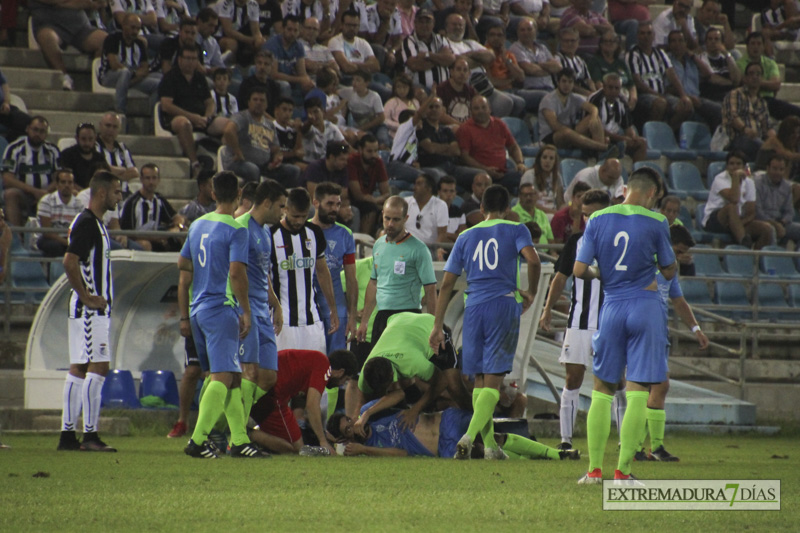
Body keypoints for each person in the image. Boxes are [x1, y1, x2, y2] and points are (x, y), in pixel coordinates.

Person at [573, 166, 677, 484]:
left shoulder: (599, 219)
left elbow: (579, 269)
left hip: (612, 306)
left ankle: (592, 471)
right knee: (637, 391)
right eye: (655, 198)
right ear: (649, 193)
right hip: (644, 306)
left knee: (602, 389)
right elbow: (670, 271)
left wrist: (600, 273)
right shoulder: (657, 221)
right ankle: (623, 472)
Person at [430, 184, 541, 459]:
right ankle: (469, 437)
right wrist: (532, 292)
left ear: (481, 208)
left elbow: (446, 284)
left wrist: (437, 324)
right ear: (507, 208)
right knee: (493, 380)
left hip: (474, 307)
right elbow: (534, 261)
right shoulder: (516, 229)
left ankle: (490, 447)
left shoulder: (466, 236)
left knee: (479, 380)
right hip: (502, 304)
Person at [178, 170, 264, 459]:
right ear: (239, 195)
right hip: (220, 310)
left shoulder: (197, 224)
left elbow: (183, 263)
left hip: (198, 310)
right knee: (223, 376)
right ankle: (198, 440)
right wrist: (246, 311)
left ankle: (239, 440)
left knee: (233, 377)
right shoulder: (236, 229)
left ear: (212, 194)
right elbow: (237, 273)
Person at [538, 188, 610, 451]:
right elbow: (560, 277)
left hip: (610, 321)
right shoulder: (576, 242)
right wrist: (546, 310)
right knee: (572, 380)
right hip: (579, 321)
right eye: (585, 214)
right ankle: (566, 441)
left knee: (618, 382)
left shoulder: (617, 242)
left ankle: (628, 442)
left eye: (594, 214)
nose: (589, 220)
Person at [57, 171, 121, 452]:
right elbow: (69, 261)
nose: (120, 196)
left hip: (86, 309)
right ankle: (90, 435)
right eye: (117, 192)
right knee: (98, 366)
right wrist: (88, 297)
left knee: (80, 366)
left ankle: (68, 436)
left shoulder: (93, 223)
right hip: (89, 311)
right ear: (103, 193)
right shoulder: (87, 224)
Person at [634, 223, 709, 462]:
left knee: (659, 387)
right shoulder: (645, 265)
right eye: (677, 251)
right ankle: (637, 447)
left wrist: (696, 328)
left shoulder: (670, 271)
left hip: (658, 331)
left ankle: (653, 447)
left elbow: (678, 301)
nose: (678, 258)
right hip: (643, 330)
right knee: (643, 387)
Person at [354, 313, 472, 434]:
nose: (384, 392)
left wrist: (415, 410)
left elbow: (442, 381)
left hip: (429, 328)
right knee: (382, 397)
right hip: (399, 321)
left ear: (391, 376)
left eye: (386, 388)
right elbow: (362, 403)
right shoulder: (365, 374)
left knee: (454, 387)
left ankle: (478, 422)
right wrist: (360, 420)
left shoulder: (411, 363)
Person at [329, 405, 579, 459]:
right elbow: (403, 453)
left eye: (351, 423)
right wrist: (363, 449)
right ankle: (537, 458)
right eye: (349, 432)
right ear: (345, 439)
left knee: (493, 437)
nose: (355, 429)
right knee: (485, 453)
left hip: (444, 421)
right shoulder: (368, 451)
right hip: (441, 449)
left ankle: (554, 454)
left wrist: (366, 415)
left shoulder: (369, 411)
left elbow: (399, 395)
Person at [235, 179, 286, 428]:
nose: (283, 212)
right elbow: (235, 273)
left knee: (268, 377)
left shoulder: (265, 230)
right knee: (248, 373)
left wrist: (274, 303)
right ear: (267, 202)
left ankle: (233, 420)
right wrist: (244, 310)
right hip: (246, 309)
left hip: (262, 310)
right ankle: (237, 433)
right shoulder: (241, 228)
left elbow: (261, 269)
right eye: (280, 206)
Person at [356, 196, 438, 345]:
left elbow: (430, 288)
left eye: (396, 219)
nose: (390, 224)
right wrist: (364, 322)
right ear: (382, 214)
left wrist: (434, 325)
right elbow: (374, 284)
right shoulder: (378, 245)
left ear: (406, 218)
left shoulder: (419, 249)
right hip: (381, 318)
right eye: (387, 218)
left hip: (408, 316)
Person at [248, 349, 358, 455]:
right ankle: (247, 435)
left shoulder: (314, 361)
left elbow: (302, 397)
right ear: (340, 372)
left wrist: (322, 433)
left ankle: (247, 435)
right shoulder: (324, 366)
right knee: (296, 448)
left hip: (269, 390)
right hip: (273, 396)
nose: (342, 384)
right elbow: (312, 406)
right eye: (346, 380)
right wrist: (322, 441)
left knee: (296, 443)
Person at [270, 188, 339, 352]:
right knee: (284, 374)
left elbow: (322, 272)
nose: (299, 221)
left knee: (314, 370)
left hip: (312, 319)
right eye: (295, 216)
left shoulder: (314, 232)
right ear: (285, 209)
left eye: (304, 216)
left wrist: (333, 308)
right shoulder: (271, 235)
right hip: (282, 321)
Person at [159, 44, 230, 174]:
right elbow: (166, 105)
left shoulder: (199, 78)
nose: (191, 62)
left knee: (228, 124)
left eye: (194, 58)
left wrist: (206, 117)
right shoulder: (170, 77)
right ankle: (195, 164)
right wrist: (192, 117)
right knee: (184, 123)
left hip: (201, 118)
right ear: (180, 59)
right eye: (187, 58)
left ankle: (226, 161)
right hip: (176, 118)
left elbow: (210, 102)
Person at [310, 182, 358, 353]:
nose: (335, 209)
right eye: (330, 204)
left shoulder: (345, 235)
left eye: (338, 204)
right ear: (316, 203)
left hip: (338, 307)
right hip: (309, 304)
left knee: (336, 360)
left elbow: (352, 279)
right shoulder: (304, 230)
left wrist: (352, 315)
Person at [222, 87, 300, 187]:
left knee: (293, 170)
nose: (258, 103)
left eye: (262, 100)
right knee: (253, 170)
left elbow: (275, 148)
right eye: (255, 99)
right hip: (240, 163)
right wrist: (237, 152)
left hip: (264, 166)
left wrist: (277, 158)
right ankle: (252, 200)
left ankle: (279, 199)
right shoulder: (242, 117)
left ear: (267, 104)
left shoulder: (270, 124)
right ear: (249, 102)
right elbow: (228, 131)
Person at [626, 21, 693, 131]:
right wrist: (656, 95)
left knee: (687, 105)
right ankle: (652, 133)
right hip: (643, 95)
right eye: (642, 33)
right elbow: (637, 82)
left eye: (649, 33)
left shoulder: (660, 53)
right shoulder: (633, 54)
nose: (646, 36)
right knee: (660, 103)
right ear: (637, 35)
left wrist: (683, 95)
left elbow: (672, 75)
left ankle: (667, 131)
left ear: (653, 35)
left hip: (661, 94)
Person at [28, 0, 107, 91]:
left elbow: (94, 3)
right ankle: (64, 76)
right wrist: (77, 4)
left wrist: (68, 4)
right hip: (50, 25)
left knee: (104, 40)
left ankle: (98, 79)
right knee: (46, 37)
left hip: (80, 26)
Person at [455, 95, 527, 193]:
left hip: (503, 172)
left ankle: (494, 189)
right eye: (476, 108)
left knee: (525, 175)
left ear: (490, 109)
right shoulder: (465, 129)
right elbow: (464, 157)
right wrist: (486, 169)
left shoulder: (499, 124)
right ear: (471, 112)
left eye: (483, 107)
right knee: (483, 178)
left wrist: (520, 163)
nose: (480, 111)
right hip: (480, 173)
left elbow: (513, 146)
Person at [2, 116, 59, 227]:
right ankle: (17, 239)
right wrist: (34, 191)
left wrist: (44, 193)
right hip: (24, 195)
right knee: (10, 194)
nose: (37, 134)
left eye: (42, 131)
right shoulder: (13, 148)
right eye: (35, 130)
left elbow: (59, 178)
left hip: (48, 194)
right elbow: (7, 179)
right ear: (28, 129)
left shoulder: (53, 150)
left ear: (46, 134)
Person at [98, 13, 161, 115]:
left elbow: (145, 69)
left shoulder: (140, 44)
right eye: (132, 28)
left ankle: (153, 119)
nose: (135, 31)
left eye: (138, 29)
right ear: (124, 25)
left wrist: (134, 78)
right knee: (124, 72)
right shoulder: (112, 39)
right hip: (110, 76)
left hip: (132, 79)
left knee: (159, 81)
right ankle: (120, 111)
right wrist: (136, 74)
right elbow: (114, 65)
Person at [538, 68, 610, 156]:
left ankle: (600, 156)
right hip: (551, 137)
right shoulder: (548, 100)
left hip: (571, 132)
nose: (567, 85)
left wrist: (594, 117)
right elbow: (555, 126)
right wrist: (575, 135)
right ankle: (602, 148)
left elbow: (593, 108)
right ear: (558, 82)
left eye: (570, 82)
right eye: (564, 81)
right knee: (567, 133)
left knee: (594, 118)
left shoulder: (574, 97)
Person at [119, 163, 185, 252]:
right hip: (137, 240)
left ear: (158, 180)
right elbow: (130, 233)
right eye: (148, 178)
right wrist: (157, 237)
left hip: (157, 237)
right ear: (141, 180)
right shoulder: (132, 202)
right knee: (145, 244)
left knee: (183, 234)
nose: (151, 182)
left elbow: (177, 217)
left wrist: (177, 227)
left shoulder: (159, 200)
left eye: (154, 178)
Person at [736, 31, 800, 121]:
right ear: (747, 46)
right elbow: (743, 83)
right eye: (753, 44)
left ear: (763, 46)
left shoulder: (770, 63)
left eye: (759, 44)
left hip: (768, 100)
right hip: (747, 100)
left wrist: (756, 83)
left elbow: (776, 85)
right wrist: (766, 84)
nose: (756, 47)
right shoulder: (739, 64)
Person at [666, 30, 721, 132]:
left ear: (685, 43)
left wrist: (693, 56)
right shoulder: (666, 60)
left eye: (681, 41)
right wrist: (686, 96)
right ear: (669, 44)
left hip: (697, 98)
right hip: (678, 97)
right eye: (673, 41)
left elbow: (708, 74)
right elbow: (667, 89)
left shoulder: (692, 61)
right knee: (688, 108)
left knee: (720, 110)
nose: (677, 44)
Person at [589, 73, 649, 162]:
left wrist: (633, 138)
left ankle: (637, 173)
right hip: (599, 137)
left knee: (641, 143)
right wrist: (622, 139)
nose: (613, 91)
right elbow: (595, 128)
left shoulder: (622, 101)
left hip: (617, 136)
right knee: (611, 142)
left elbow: (627, 127)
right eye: (610, 87)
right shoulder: (595, 100)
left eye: (616, 88)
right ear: (604, 87)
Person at [722, 62, 773, 163]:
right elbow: (732, 118)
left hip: (757, 140)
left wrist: (776, 141)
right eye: (751, 74)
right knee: (763, 148)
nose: (755, 77)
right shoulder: (735, 94)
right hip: (737, 139)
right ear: (745, 78)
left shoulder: (762, 102)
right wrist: (746, 130)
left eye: (758, 74)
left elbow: (767, 127)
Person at [509, 17, 561, 114]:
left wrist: (538, 64)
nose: (526, 32)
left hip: (550, 87)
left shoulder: (542, 47)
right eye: (522, 30)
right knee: (548, 97)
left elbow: (558, 67)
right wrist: (549, 69)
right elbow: (530, 70)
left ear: (535, 31)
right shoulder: (515, 48)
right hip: (530, 89)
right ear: (517, 32)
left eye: (529, 29)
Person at [399, 8, 455, 91]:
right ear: (415, 24)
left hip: (444, 89)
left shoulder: (441, 39)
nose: (424, 25)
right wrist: (440, 58)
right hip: (420, 90)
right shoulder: (409, 41)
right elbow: (414, 65)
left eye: (428, 22)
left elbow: (450, 59)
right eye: (421, 22)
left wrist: (427, 55)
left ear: (433, 24)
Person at [347, 134, 391, 236]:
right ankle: (361, 242)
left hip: (369, 200)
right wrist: (374, 200)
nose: (374, 155)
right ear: (360, 149)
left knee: (385, 210)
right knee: (371, 208)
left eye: (376, 151)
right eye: (369, 151)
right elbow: (357, 195)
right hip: (350, 199)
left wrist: (374, 200)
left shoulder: (378, 162)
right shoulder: (352, 161)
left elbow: (387, 193)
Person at [263, 14, 315, 98]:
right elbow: (274, 74)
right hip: (270, 81)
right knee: (285, 85)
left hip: (290, 79)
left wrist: (307, 81)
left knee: (311, 84)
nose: (292, 33)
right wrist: (300, 79)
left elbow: (302, 73)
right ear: (283, 29)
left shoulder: (298, 46)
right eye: (289, 29)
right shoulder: (272, 45)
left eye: (295, 30)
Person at [36, 168, 83, 257]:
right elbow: (47, 232)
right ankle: (53, 270)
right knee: (56, 246)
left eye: (70, 182)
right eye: (63, 182)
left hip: (69, 238)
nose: (67, 185)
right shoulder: (46, 201)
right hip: (49, 238)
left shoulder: (79, 204)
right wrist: (67, 243)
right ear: (57, 185)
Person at [339, 70, 391, 148]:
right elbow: (332, 91)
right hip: (361, 127)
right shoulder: (348, 92)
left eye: (358, 80)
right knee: (367, 142)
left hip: (377, 126)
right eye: (353, 79)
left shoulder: (374, 96)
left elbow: (381, 117)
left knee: (383, 140)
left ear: (366, 83)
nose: (354, 83)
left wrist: (363, 127)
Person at [755, 155, 800, 246]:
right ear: (768, 168)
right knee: (771, 230)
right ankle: (772, 258)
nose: (778, 172)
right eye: (774, 169)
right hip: (763, 222)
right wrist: (774, 224)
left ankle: (795, 259)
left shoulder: (787, 186)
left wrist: (782, 222)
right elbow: (758, 211)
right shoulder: (758, 184)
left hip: (782, 223)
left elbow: (790, 212)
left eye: (781, 169)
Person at [587, 32, 637, 112]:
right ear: (600, 44)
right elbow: (599, 84)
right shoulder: (595, 61)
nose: (609, 43)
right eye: (606, 41)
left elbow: (631, 85)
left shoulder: (621, 63)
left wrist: (633, 100)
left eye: (612, 41)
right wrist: (620, 100)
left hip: (627, 98)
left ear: (617, 44)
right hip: (610, 98)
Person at [96, 112, 139, 197]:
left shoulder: (122, 147)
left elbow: (134, 172)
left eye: (115, 127)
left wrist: (110, 175)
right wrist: (123, 170)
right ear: (100, 126)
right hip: (102, 195)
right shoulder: (94, 146)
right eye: (108, 126)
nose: (111, 130)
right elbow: (99, 171)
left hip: (123, 195)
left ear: (119, 129)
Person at [697, 28, 741, 104]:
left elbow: (737, 79)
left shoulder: (727, 58)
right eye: (710, 39)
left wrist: (726, 54)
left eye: (716, 39)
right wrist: (732, 83)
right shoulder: (701, 58)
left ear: (722, 43)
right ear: (706, 42)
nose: (713, 42)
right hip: (712, 95)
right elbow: (713, 79)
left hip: (729, 94)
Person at [58, 123, 106, 190]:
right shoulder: (67, 155)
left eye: (90, 139)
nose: (87, 143)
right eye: (83, 139)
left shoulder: (99, 158)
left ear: (95, 138)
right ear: (77, 138)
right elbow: (65, 180)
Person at [520, 144, 564, 217]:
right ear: (539, 159)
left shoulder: (557, 177)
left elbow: (560, 202)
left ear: (555, 162)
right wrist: (556, 213)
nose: (547, 161)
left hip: (553, 212)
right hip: (534, 213)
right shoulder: (529, 175)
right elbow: (530, 203)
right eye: (544, 157)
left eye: (551, 158)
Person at [301, 97, 347, 165]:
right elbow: (304, 130)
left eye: (315, 112)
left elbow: (344, 146)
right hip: (311, 164)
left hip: (329, 163)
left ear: (322, 111)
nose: (313, 116)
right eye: (310, 113)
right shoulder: (308, 128)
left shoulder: (331, 127)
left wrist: (341, 149)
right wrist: (310, 122)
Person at [238, 49, 283, 118]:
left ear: (271, 67)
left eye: (266, 64)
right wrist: (272, 121)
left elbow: (277, 108)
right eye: (259, 63)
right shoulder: (247, 84)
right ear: (255, 65)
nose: (262, 67)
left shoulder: (275, 86)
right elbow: (247, 109)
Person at [405, 174, 448, 245]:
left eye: (418, 184)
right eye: (415, 184)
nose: (414, 187)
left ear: (429, 188)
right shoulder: (405, 202)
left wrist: (435, 250)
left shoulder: (440, 205)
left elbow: (442, 233)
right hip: (406, 247)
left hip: (429, 249)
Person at [555, 27, 596, 96]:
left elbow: (589, 80)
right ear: (561, 42)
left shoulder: (580, 60)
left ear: (578, 42)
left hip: (585, 93)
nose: (569, 44)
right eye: (566, 41)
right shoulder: (558, 60)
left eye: (573, 41)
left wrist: (594, 93)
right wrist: (588, 94)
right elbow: (567, 84)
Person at [435, 58, 477, 125]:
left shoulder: (471, 91)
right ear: (451, 72)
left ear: (469, 74)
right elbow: (441, 115)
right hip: (449, 128)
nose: (462, 73)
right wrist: (461, 126)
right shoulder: (442, 89)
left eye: (465, 70)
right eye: (458, 69)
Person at [299, 16, 339, 82]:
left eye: (315, 29)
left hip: (328, 82)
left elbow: (335, 67)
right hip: (308, 81)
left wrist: (318, 66)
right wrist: (326, 65)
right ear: (302, 29)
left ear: (318, 32)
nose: (311, 31)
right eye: (308, 28)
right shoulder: (297, 46)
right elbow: (308, 65)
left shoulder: (324, 49)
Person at [0, 67, 32, 142]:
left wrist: (6, 102)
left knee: (26, 122)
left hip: (3, 108)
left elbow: (4, 84)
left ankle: (12, 145)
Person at [384, 74, 420, 139]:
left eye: (404, 87)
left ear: (410, 88)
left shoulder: (415, 102)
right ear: (395, 88)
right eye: (398, 87)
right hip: (396, 134)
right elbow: (385, 119)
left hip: (414, 134)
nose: (402, 90)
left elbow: (419, 117)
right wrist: (401, 126)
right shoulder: (391, 102)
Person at [438, 176, 466, 244]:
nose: (449, 194)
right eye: (445, 191)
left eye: (452, 191)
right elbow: (433, 236)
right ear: (439, 192)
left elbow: (462, 237)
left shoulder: (459, 212)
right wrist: (452, 236)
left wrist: (445, 234)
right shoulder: (432, 210)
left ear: (455, 193)